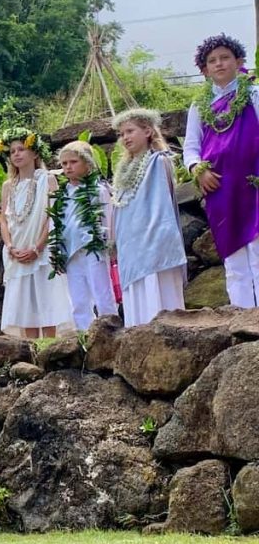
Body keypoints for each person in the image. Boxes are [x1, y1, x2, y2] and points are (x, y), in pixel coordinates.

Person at [182, 33, 259, 308]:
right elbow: (190, 147)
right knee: (234, 258)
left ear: (239, 61)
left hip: (253, 185)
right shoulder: (199, 106)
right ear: (204, 70)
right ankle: (242, 320)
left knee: (258, 254)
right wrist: (198, 169)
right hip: (221, 189)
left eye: (225, 57)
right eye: (212, 61)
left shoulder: (253, 94)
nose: (219, 64)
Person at [111, 109, 186, 326]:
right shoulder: (124, 171)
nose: (125, 137)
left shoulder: (159, 161)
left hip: (154, 240)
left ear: (147, 131)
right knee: (138, 295)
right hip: (132, 244)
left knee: (157, 291)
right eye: (121, 133)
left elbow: (163, 202)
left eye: (130, 131)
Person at [0, 128, 73, 338]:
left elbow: (52, 216)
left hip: (42, 249)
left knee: (46, 298)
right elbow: (4, 219)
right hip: (16, 249)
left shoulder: (47, 179)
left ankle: (48, 344)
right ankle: (30, 348)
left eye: (22, 149)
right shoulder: (8, 186)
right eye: (12, 151)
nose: (17, 154)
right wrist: (10, 247)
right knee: (25, 304)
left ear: (35, 153)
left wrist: (37, 247)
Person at [47, 141, 118, 332]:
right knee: (78, 299)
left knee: (102, 292)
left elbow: (108, 220)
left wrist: (110, 246)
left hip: (94, 250)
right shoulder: (61, 195)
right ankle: (84, 334)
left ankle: (110, 331)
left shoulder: (99, 190)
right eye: (64, 164)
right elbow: (56, 223)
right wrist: (56, 250)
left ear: (87, 163)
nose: (68, 167)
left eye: (73, 162)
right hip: (70, 252)